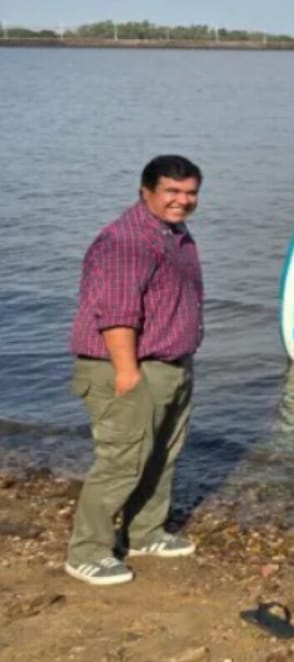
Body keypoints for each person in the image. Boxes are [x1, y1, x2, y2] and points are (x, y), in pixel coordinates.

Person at [65, 155, 205, 585]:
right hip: (126, 366)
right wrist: (128, 374)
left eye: (190, 193)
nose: (182, 200)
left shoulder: (173, 233)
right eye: (172, 191)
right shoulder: (126, 241)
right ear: (146, 191)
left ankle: (145, 532)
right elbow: (117, 315)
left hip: (169, 365)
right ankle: (87, 551)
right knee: (122, 461)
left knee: (161, 454)